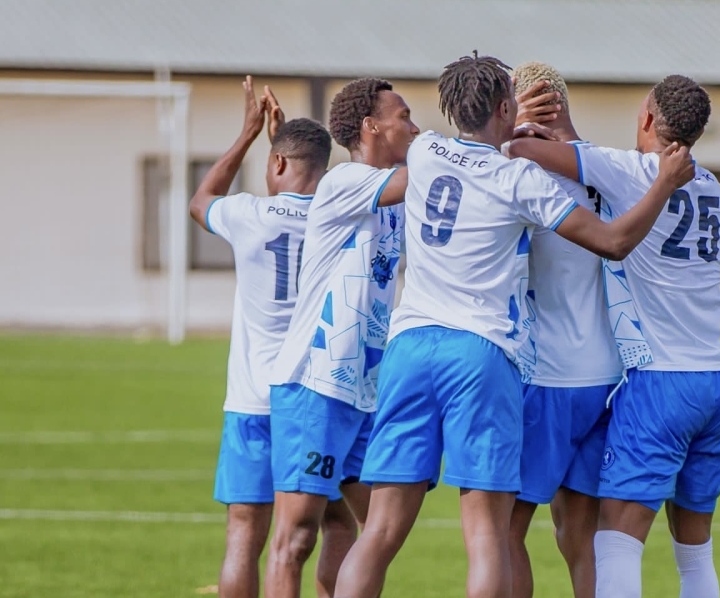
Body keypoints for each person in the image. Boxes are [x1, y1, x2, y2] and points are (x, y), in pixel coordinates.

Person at [333, 53, 694, 598]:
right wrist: (662, 183)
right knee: (491, 535)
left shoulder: (427, 149)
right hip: (488, 354)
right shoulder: (526, 178)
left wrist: (503, 121)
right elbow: (614, 241)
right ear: (505, 106)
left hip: (411, 346)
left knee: (380, 530)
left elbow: (465, 145)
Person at [508, 74, 720, 598]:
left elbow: (521, 148)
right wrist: (567, 130)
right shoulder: (710, 186)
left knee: (615, 541)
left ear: (649, 120)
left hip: (662, 383)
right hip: (719, 381)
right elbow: (589, 158)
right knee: (695, 554)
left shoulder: (632, 172)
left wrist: (520, 115)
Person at [264, 77, 417, 598]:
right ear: (372, 127)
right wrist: (476, 142)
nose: (415, 129)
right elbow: (435, 175)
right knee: (296, 537)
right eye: (405, 116)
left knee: (369, 531)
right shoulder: (348, 179)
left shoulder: (397, 196)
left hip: (364, 390)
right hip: (317, 380)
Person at [188, 76, 333, 598]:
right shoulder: (335, 218)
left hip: (251, 400)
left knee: (243, 535)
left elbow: (201, 200)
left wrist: (249, 134)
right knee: (317, 534)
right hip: (314, 397)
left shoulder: (248, 214)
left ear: (276, 164)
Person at [506, 62, 622, 598]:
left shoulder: (512, 173)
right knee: (581, 533)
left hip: (546, 375)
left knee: (504, 527)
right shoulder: (604, 170)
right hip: (604, 374)